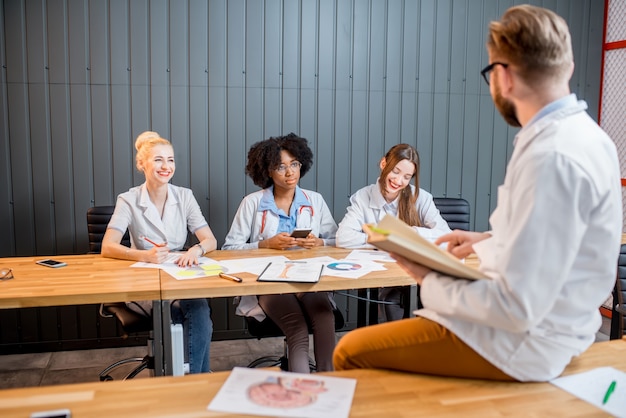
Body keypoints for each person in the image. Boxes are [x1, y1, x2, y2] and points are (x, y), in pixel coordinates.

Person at [333, 5, 622, 382]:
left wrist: (429, 278)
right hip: (564, 329)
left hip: (523, 344)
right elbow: (559, 242)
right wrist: (489, 239)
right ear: (565, 67)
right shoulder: (590, 138)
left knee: (350, 351)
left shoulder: (549, 156)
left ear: (502, 76)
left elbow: (516, 307)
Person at [102, 131, 217, 374]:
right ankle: (194, 379)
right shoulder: (129, 199)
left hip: (179, 274)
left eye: (171, 159)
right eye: (158, 160)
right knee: (178, 313)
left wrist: (196, 249)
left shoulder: (184, 196)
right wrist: (144, 255)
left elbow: (210, 240)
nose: (166, 166)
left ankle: (191, 379)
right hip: (145, 277)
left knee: (200, 309)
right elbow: (108, 246)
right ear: (141, 164)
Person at [223, 133, 338, 373]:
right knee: (296, 328)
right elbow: (229, 249)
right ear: (267, 171)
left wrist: (320, 243)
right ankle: (300, 397)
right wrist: (266, 245)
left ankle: (329, 387)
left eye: (294, 164)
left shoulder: (315, 201)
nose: (290, 173)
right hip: (270, 281)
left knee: (325, 319)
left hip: (308, 278)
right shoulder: (252, 203)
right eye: (281, 167)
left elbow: (337, 241)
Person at [336, 143, 451, 321]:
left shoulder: (420, 197)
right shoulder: (362, 197)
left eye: (407, 176)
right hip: (382, 275)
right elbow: (343, 238)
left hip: (414, 274)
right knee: (390, 304)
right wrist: (382, 239)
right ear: (384, 164)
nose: (399, 181)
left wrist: (408, 234)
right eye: (395, 171)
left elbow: (445, 234)